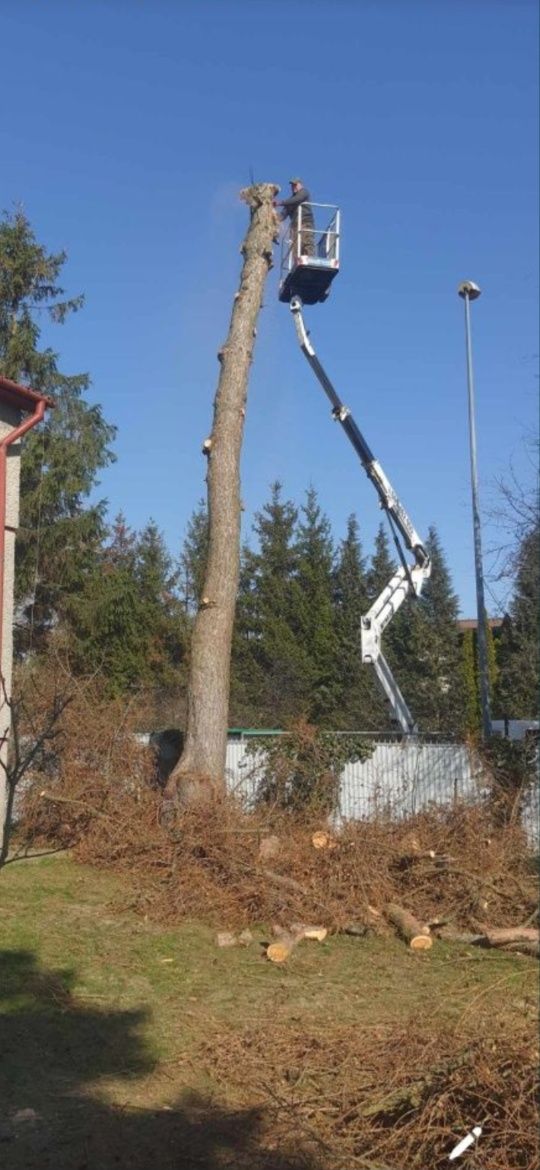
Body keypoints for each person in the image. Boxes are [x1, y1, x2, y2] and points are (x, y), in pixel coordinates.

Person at [277, 178, 315, 259]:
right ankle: (297, 263)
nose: (293, 187)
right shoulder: (291, 200)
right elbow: (283, 214)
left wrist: (280, 203)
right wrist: (272, 218)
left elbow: (297, 199)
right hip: (295, 227)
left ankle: (310, 259)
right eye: (292, 186)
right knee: (296, 248)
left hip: (305, 222)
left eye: (295, 185)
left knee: (307, 243)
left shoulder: (304, 192)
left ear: (300, 185)